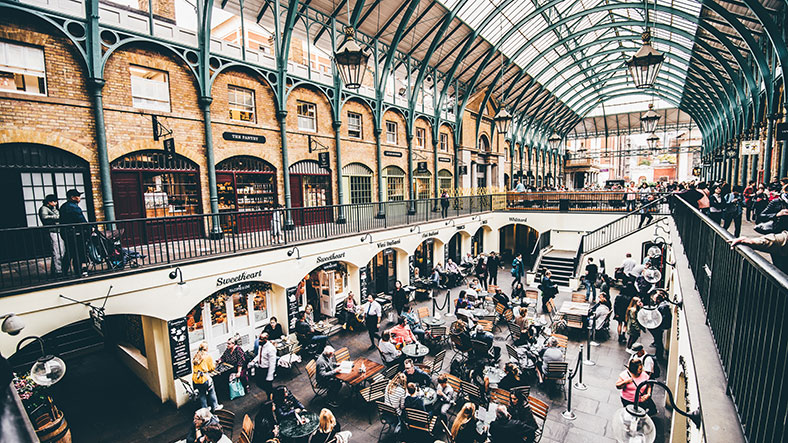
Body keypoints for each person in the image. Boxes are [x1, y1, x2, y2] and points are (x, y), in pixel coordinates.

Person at [59, 189, 88, 275]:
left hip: (66, 232)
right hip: (75, 233)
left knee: (69, 252)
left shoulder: (64, 206)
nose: (79, 198)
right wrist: (89, 228)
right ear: (72, 197)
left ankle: (64, 271)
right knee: (77, 253)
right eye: (78, 196)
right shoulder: (74, 207)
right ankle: (78, 272)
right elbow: (81, 220)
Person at [192, 342, 222, 412]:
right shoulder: (207, 356)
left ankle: (205, 410)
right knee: (211, 391)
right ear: (207, 348)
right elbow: (211, 368)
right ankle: (215, 407)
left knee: (202, 394)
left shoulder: (196, 355)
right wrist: (215, 364)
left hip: (196, 378)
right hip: (204, 378)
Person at [38, 194, 64, 275]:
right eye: (54, 201)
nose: (55, 203)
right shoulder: (44, 208)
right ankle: (58, 270)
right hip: (51, 231)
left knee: (61, 251)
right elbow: (45, 217)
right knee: (57, 251)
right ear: (49, 202)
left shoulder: (53, 209)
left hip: (57, 231)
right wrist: (57, 217)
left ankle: (56, 269)